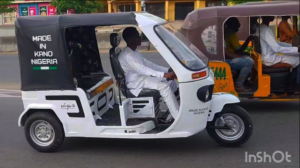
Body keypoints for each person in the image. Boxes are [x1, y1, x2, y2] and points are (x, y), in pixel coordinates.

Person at [118, 27, 179, 123]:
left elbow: (148, 64)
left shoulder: (134, 51)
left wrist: (167, 70)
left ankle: (175, 107)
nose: (140, 38)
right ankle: (177, 117)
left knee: (171, 81)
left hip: (141, 79)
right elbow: (143, 70)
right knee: (164, 86)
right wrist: (164, 74)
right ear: (130, 39)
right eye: (137, 36)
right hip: (135, 84)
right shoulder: (128, 55)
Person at [255, 16, 300, 94]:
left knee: (296, 58)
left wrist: (291, 47)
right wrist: (297, 50)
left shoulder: (262, 28)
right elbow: (277, 48)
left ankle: (292, 85)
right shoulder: (265, 30)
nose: (273, 16)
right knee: (298, 58)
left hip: (269, 56)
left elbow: (275, 44)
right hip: (270, 59)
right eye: (271, 15)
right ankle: (296, 86)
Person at [224, 17, 255, 91]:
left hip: (227, 58)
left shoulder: (226, 32)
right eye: (237, 24)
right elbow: (238, 50)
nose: (239, 26)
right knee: (249, 61)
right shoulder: (231, 34)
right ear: (232, 25)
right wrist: (248, 40)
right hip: (226, 60)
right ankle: (239, 85)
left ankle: (245, 81)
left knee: (246, 56)